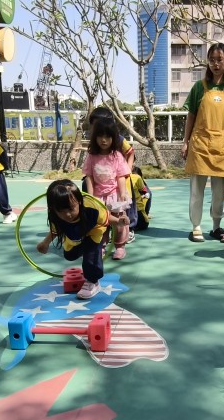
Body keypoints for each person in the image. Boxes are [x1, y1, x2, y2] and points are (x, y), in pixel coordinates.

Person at [182, 42, 224, 242]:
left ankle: (216, 226)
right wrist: (185, 142)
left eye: (219, 60)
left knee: (219, 192)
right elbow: (191, 116)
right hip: (200, 145)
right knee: (197, 191)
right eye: (211, 60)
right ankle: (196, 226)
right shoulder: (199, 87)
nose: (215, 64)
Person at [36, 179, 122, 299]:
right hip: (75, 237)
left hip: (93, 232)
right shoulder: (55, 216)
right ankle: (86, 252)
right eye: (61, 211)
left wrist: (118, 221)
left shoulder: (91, 208)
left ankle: (93, 281)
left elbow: (107, 219)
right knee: (69, 255)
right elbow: (56, 230)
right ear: (53, 209)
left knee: (91, 254)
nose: (67, 215)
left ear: (79, 201)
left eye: (71, 209)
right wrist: (45, 243)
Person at [83, 116, 132, 260]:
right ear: (95, 137)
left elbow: (120, 176)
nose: (103, 140)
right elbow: (89, 177)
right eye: (100, 136)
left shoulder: (116, 156)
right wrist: (91, 197)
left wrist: (122, 193)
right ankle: (101, 246)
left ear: (113, 138)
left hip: (114, 194)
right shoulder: (92, 156)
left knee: (118, 222)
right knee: (100, 222)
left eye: (107, 137)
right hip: (98, 196)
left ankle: (120, 246)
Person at [129, 166, 152, 231]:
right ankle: (146, 214)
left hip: (120, 211)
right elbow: (145, 191)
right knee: (144, 224)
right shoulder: (137, 177)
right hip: (136, 209)